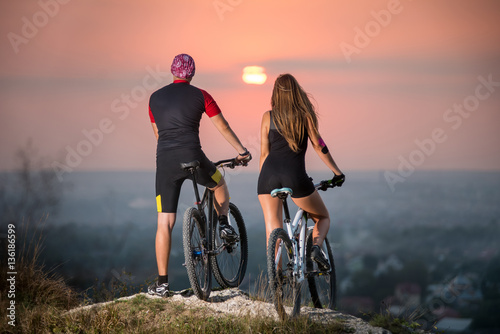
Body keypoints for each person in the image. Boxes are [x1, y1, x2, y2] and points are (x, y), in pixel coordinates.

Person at [148, 53, 251, 297]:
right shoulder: (201, 95)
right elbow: (222, 125)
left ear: (172, 72)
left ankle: (162, 284)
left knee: (164, 221)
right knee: (218, 182)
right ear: (192, 74)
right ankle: (224, 225)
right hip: (192, 156)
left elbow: (158, 134)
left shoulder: (154, 98)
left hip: (165, 161)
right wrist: (241, 151)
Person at [257, 73, 345, 271]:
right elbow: (319, 145)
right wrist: (336, 172)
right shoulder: (304, 116)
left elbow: (264, 154)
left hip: (267, 178)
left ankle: (276, 278)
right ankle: (315, 248)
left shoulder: (267, 117)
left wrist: (264, 181)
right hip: (294, 177)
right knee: (322, 217)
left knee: (273, 228)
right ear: (296, 92)